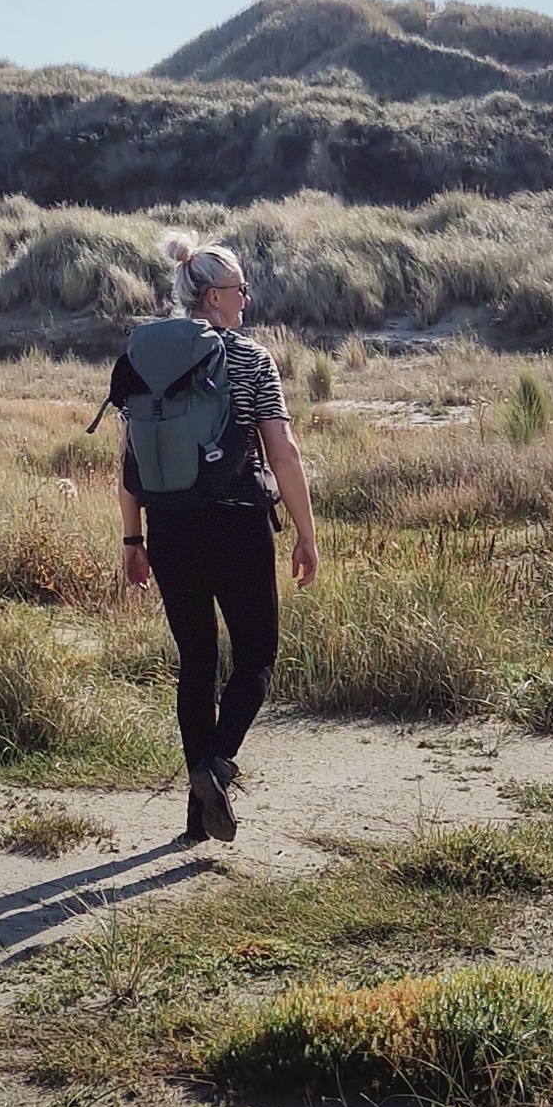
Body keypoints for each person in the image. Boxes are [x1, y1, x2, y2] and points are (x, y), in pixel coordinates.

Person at [119, 231, 318, 844]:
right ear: (210, 296)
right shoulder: (252, 359)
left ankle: (197, 816)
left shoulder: (139, 359)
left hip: (169, 528)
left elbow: (128, 458)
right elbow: (281, 453)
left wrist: (133, 540)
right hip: (236, 523)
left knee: (196, 664)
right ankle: (212, 769)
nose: (246, 300)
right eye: (239, 290)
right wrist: (306, 534)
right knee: (257, 656)